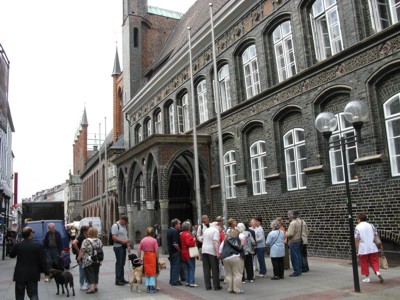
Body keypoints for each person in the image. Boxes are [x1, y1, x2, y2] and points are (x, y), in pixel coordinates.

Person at [9, 226, 48, 300]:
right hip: (32, 274)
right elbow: (43, 261)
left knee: (19, 295)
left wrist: (14, 244)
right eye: (32, 232)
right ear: (30, 234)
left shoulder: (18, 245)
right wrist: (46, 273)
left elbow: (11, 255)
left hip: (20, 274)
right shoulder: (38, 246)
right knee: (33, 294)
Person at [355, 212, 384, 283]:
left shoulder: (357, 227)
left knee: (364, 263)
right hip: (373, 247)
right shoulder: (371, 225)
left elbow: (356, 239)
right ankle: (377, 272)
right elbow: (376, 236)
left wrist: (357, 250)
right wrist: (380, 245)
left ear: (359, 219)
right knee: (374, 261)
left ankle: (367, 278)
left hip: (363, 249)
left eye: (357, 219)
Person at [77, 226, 103, 294]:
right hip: (97, 260)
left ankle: (91, 288)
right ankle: (96, 286)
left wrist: (79, 258)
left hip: (88, 260)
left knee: (89, 273)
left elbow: (82, 250)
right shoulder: (99, 240)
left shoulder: (86, 241)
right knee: (95, 273)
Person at [220, 228, 244, 294]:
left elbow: (220, 248)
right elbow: (240, 247)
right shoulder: (237, 238)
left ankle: (230, 288)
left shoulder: (225, 239)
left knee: (228, 274)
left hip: (225, 258)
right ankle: (237, 289)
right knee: (237, 274)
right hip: (235, 257)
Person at [138, 227, 159, 293]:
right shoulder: (154, 240)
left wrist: (139, 258)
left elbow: (139, 249)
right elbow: (157, 251)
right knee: (152, 272)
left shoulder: (143, 240)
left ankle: (148, 287)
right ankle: (152, 287)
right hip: (152, 256)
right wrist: (157, 258)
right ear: (153, 233)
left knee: (147, 272)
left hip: (146, 256)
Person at [202, 222, 222, 291]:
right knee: (215, 268)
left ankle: (207, 285)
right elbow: (215, 242)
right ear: (217, 226)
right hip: (211, 251)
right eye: (220, 227)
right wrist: (217, 253)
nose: (220, 229)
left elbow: (202, 239)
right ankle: (216, 285)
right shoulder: (215, 231)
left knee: (206, 269)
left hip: (204, 250)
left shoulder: (206, 230)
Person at [111, 215, 131, 286]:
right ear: (121, 219)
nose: (125, 223)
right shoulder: (115, 226)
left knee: (122, 263)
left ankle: (122, 278)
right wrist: (122, 241)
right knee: (119, 263)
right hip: (118, 246)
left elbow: (126, 236)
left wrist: (128, 246)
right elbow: (113, 237)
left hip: (123, 246)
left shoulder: (124, 226)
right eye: (124, 222)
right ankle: (118, 280)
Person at [180, 221, 199, 287]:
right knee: (191, 267)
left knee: (186, 268)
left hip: (183, 252)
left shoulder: (181, 234)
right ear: (188, 227)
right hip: (189, 252)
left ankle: (187, 281)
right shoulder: (188, 234)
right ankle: (191, 282)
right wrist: (193, 240)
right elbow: (189, 243)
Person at [71, 225, 89, 290]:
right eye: (87, 230)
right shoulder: (80, 237)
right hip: (81, 256)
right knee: (82, 271)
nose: (88, 231)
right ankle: (82, 284)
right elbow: (74, 243)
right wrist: (79, 251)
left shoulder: (86, 236)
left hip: (86, 256)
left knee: (87, 270)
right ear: (84, 231)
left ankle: (86, 283)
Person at [286, 210, 302, 277]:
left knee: (294, 257)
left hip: (294, 241)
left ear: (291, 215)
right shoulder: (298, 222)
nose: (287, 216)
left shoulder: (292, 223)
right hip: (298, 240)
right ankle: (299, 270)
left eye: (288, 214)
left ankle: (296, 271)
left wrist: (285, 233)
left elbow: (290, 234)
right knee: (298, 256)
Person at [167, 218, 182, 286]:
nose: (180, 225)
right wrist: (180, 250)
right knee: (176, 266)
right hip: (175, 251)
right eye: (179, 224)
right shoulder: (175, 232)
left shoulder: (169, 230)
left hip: (171, 251)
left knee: (172, 266)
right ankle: (175, 281)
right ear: (176, 224)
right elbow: (175, 244)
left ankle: (172, 280)